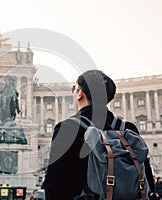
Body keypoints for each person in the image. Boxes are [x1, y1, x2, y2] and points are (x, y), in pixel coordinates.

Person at [42, 70, 155, 200]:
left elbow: (55, 187)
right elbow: (147, 180)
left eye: (74, 88)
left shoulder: (68, 129)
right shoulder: (128, 129)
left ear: (80, 93)